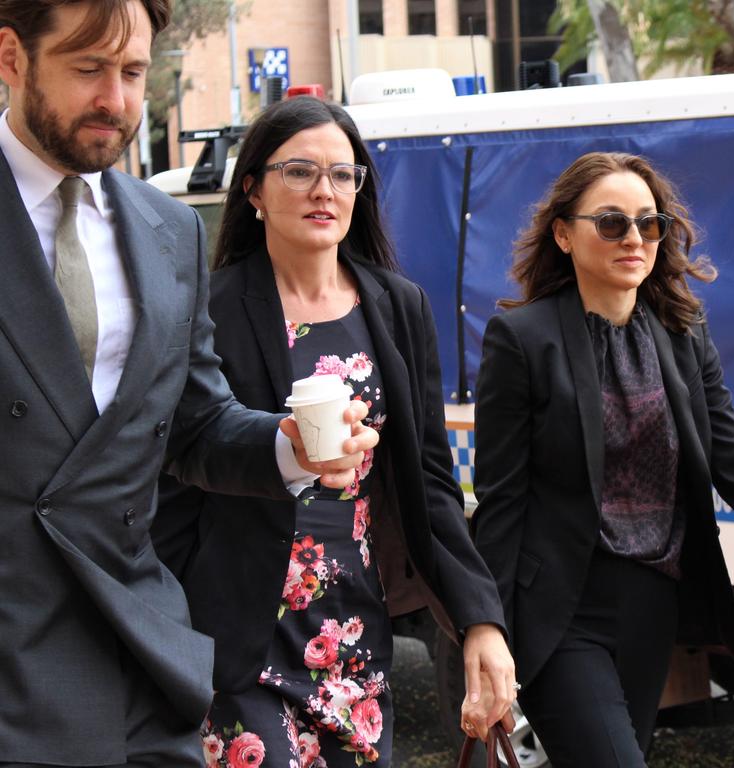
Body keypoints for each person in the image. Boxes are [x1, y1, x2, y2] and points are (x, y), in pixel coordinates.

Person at [0, 2, 378, 766]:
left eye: (133, 71)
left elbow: (196, 425)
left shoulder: (168, 229)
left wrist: (293, 446)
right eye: (87, 68)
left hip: (141, 664)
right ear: (11, 57)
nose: (116, 98)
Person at [470, 152, 734, 767]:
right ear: (563, 233)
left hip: (652, 608)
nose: (633, 238)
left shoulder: (680, 331)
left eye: (648, 224)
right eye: (611, 223)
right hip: (562, 612)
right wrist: (484, 630)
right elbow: (501, 502)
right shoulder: (524, 341)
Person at [153, 96, 516, 767]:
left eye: (343, 175)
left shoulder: (397, 306)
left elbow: (430, 480)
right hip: (239, 633)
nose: (325, 190)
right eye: (300, 172)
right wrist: (170, 632)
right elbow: (176, 473)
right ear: (255, 189)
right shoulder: (209, 309)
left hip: (354, 626)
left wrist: (479, 619)